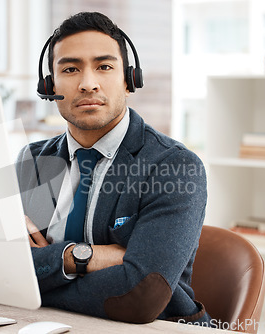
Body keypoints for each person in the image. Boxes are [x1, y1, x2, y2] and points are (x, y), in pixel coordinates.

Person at [15, 12, 211, 326]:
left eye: (104, 66)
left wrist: (37, 274)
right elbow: (1, 271)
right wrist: (78, 258)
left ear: (129, 80)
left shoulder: (174, 167)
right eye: (70, 68)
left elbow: (141, 296)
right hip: (44, 323)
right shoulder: (33, 162)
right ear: (49, 84)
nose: (88, 83)